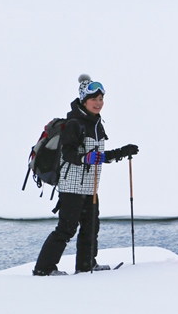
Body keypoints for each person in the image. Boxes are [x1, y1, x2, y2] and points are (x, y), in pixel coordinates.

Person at [33, 75, 139, 276]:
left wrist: (123, 152)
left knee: (91, 227)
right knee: (66, 228)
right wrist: (85, 158)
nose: (99, 103)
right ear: (84, 100)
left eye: (101, 99)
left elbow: (98, 156)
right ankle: (43, 269)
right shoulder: (75, 123)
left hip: (90, 186)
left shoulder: (97, 123)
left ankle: (86, 265)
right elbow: (68, 153)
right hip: (71, 187)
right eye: (94, 99)